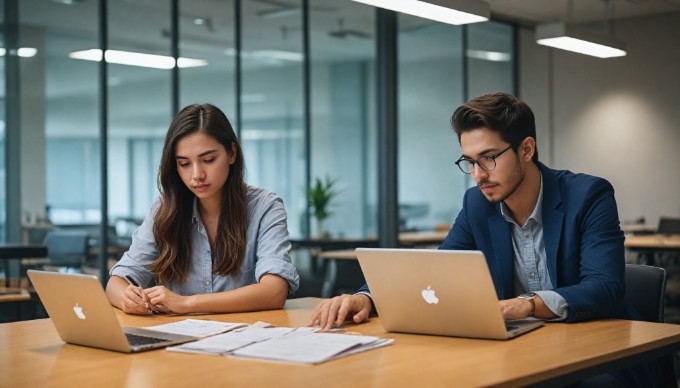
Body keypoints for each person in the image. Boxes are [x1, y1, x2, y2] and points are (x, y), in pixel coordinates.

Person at [308, 92, 659, 386]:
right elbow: (437, 272)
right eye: (469, 161)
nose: (478, 175)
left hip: (598, 356)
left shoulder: (588, 195)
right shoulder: (478, 204)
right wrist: (367, 299)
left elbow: (605, 287)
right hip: (521, 354)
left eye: (489, 158)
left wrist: (527, 303)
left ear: (526, 149)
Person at [106, 103, 299, 315]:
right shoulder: (165, 208)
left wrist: (187, 303)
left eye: (208, 160)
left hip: (244, 339)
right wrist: (127, 299)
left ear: (231, 153)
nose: (197, 175)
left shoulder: (265, 207)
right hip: (178, 341)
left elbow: (274, 292)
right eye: (184, 164)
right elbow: (116, 282)